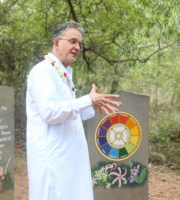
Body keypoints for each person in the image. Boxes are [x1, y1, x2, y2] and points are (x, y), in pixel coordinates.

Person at [26, 21, 122, 200]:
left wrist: (90, 104)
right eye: (72, 41)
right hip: (54, 160)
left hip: (69, 157)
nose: (77, 47)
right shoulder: (42, 72)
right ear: (56, 42)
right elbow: (50, 113)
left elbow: (69, 112)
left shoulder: (63, 73)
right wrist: (86, 100)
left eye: (79, 43)